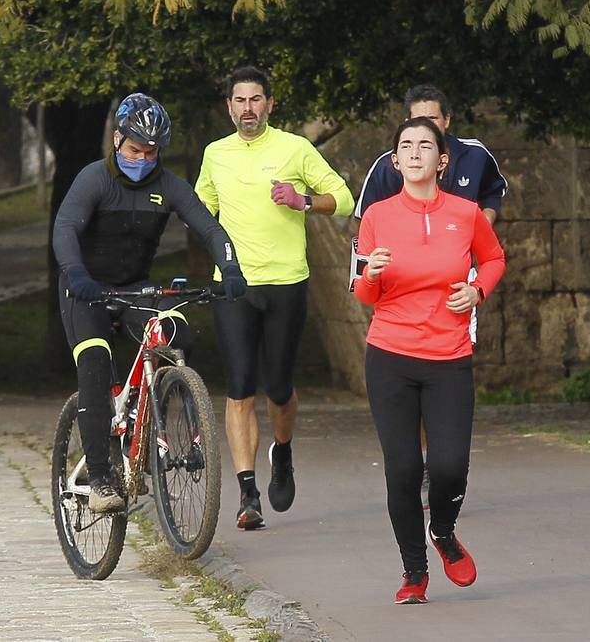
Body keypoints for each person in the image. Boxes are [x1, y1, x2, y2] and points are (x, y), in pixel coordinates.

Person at [56, 93, 247, 514]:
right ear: (117, 141)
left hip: (135, 286)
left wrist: (231, 270)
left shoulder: (169, 185)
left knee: (178, 332)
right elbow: (65, 229)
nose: (142, 159)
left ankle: (138, 433)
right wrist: (78, 275)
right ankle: (103, 477)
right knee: (94, 362)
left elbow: (210, 229)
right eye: (134, 150)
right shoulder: (94, 180)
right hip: (85, 287)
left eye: (151, 152)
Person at [354, 117, 506, 605]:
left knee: (449, 466)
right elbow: (363, 294)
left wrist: (477, 289)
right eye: (405, 146)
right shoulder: (376, 215)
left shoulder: (466, 213)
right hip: (390, 356)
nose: (415, 152)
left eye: (425, 146)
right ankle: (414, 572)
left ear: (442, 162)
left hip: (449, 357)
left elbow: (496, 259)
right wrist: (371, 274)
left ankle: (443, 529)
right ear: (395, 161)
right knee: (401, 468)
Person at [194, 66, 351, 530]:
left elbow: (342, 198)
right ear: (229, 107)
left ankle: (281, 453)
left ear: (270, 104)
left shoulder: (295, 149)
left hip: (286, 282)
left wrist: (302, 200)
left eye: (256, 99)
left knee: (279, 390)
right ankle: (247, 494)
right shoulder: (215, 154)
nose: (248, 109)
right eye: (240, 101)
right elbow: (202, 208)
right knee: (240, 385)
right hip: (235, 285)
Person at [353, 84, 507, 225]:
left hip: (461, 251)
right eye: (419, 119)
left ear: (446, 120)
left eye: (433, 118)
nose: (426, 125)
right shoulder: (387, 165)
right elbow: (366, 217)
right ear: (407, 122)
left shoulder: (475, 155)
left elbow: (492, 191)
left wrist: (485, 222)